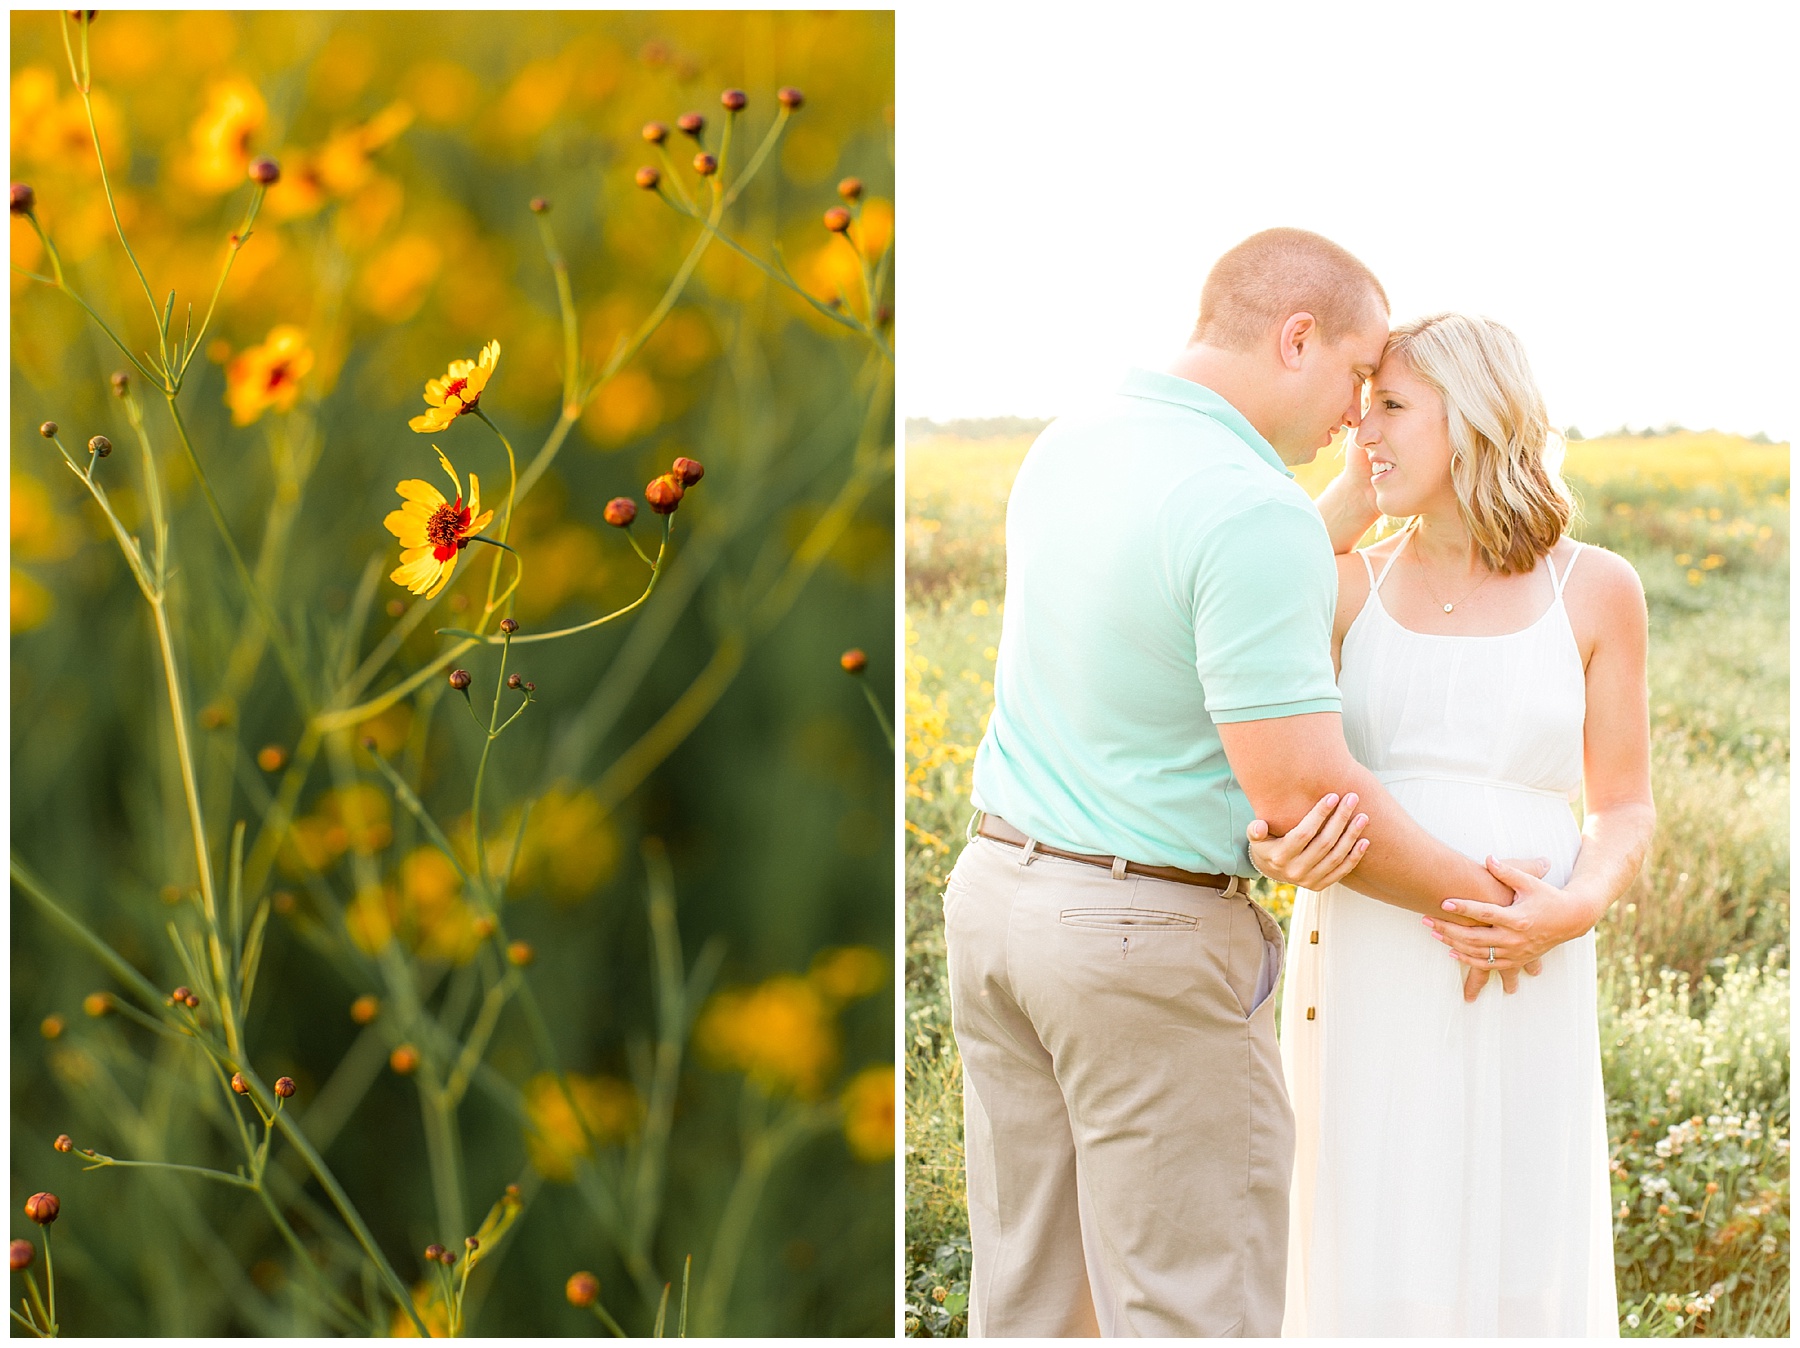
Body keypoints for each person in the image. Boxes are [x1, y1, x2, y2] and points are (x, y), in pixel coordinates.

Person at [943, 229, 1538, 1338]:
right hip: (1137, 951)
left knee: (1032, 1306)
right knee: (1191, 1309)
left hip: (998, 906)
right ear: (1297, 337)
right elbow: (1305, 797)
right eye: (1359, 376)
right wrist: (1496, 902)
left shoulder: (1079, 439)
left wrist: (1334, 523)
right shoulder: (1248, 505)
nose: (1357, 416)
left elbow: (1191, 601)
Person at [1248, 313, 1654, 1336]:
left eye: (1389, 406)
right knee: (1371, 1211)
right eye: (1361, 404)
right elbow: (1249, 612)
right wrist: (1356, 486)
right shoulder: (1345, 584)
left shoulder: (1596, 588)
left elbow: (1623, 804)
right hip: (1369, 942)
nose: (1360, 428)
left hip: (1532, 951)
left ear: (1473, 420)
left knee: (1517, 1219)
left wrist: (1573, 907)